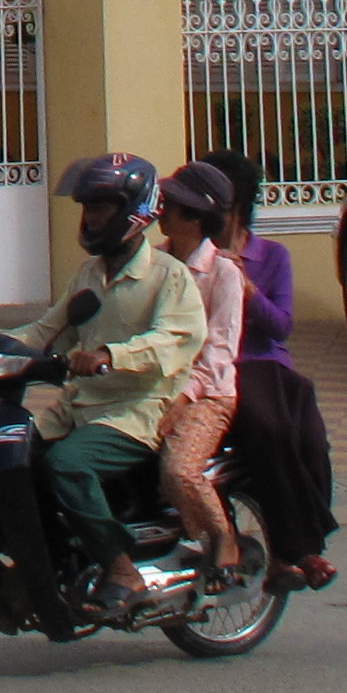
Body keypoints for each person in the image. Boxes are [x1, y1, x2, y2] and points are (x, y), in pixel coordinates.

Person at [9, 151, 206, 604]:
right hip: (77, 409)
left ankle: (123, 568)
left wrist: (109, 356)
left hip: (134, 411)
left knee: (67, 466)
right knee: (11, 461)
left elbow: (173, 341)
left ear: (133, 213)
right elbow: (47, 331)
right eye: (86, 209)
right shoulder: (89, 275)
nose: (90, 219)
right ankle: (49, 562)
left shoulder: (168, 277)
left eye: (100, 208)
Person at [199, 146, 338, 590]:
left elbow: (281, 328)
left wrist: (248, 290)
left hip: (268, 366)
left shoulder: (272, 255)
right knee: (271, 431)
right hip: (224, 367)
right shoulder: (185, 255)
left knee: (310, 438)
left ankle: (306, 547)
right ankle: (295, 552)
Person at [152, 162, 245, 585]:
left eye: (171, 207)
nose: (161, 213)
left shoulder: (223, 274)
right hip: (156, 386)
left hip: (208, 395)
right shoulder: (154, 265)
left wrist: (183, 398)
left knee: (178, 470)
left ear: (193, 217)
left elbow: (219, 353)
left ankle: (221, 536)